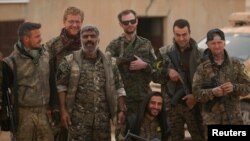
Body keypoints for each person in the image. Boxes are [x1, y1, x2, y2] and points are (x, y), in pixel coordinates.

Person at [57, 25, 126, 141]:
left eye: (93, 36)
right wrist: (63, 112)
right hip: (78, 122)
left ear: (98, 40)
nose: (89, 39)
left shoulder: (110, 62)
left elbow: (119, 88)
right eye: (85, 37)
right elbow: (61, 87)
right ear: (81, 39)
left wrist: (121, 110)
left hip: (102, 122)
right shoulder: (69, 61)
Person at [192, 28, 250, 139]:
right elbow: (196, 93)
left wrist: (234, 87)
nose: (217, 46)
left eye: (219, 42)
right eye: (213, 43)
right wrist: (212, 92)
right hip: (212, 120)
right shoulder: (202, 67)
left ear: (224, 43)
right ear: (208, 45)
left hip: (234, 119)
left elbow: (248, 87)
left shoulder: (236, 64)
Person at [152, 19, 205, 141]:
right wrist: (167, 72)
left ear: (190, 33)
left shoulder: (201, 54)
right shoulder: (164, 52)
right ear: (173, 34)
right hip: (172, 107)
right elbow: (154, 75)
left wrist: (195, 96)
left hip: (195, 106)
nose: (181, 38)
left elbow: (208, 81)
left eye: (184, 34)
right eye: (178, 35)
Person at [0, 22, 53, 141]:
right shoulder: (10, 63)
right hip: (24, 116)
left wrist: (54, 108)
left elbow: (52, 83)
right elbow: (2, 93)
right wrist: (4, 117)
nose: (41, 39)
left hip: (44, 115)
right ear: (26, 39)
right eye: (37, 36)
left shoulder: (46, 57)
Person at [106, 9, 156, 116]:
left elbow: (156, 69)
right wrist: (123, 60)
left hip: (143, 96)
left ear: (137, 21)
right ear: (120, 24)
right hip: (122, 99)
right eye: (126, 22)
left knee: (144, 131)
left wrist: (145, 65)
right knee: (123, 131)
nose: (130, 24)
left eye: (132, 21)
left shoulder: (146, 44)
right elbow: (106, 65)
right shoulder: (114, 45)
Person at [45, 6, 84, 140]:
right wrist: (52, 107)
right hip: (58, 105)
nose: (74, 25)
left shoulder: (88, 44)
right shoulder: (52, 46)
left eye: (78, 22)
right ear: (64, 22)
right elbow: (46, 77)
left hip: (83, 106)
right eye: (71, 21)